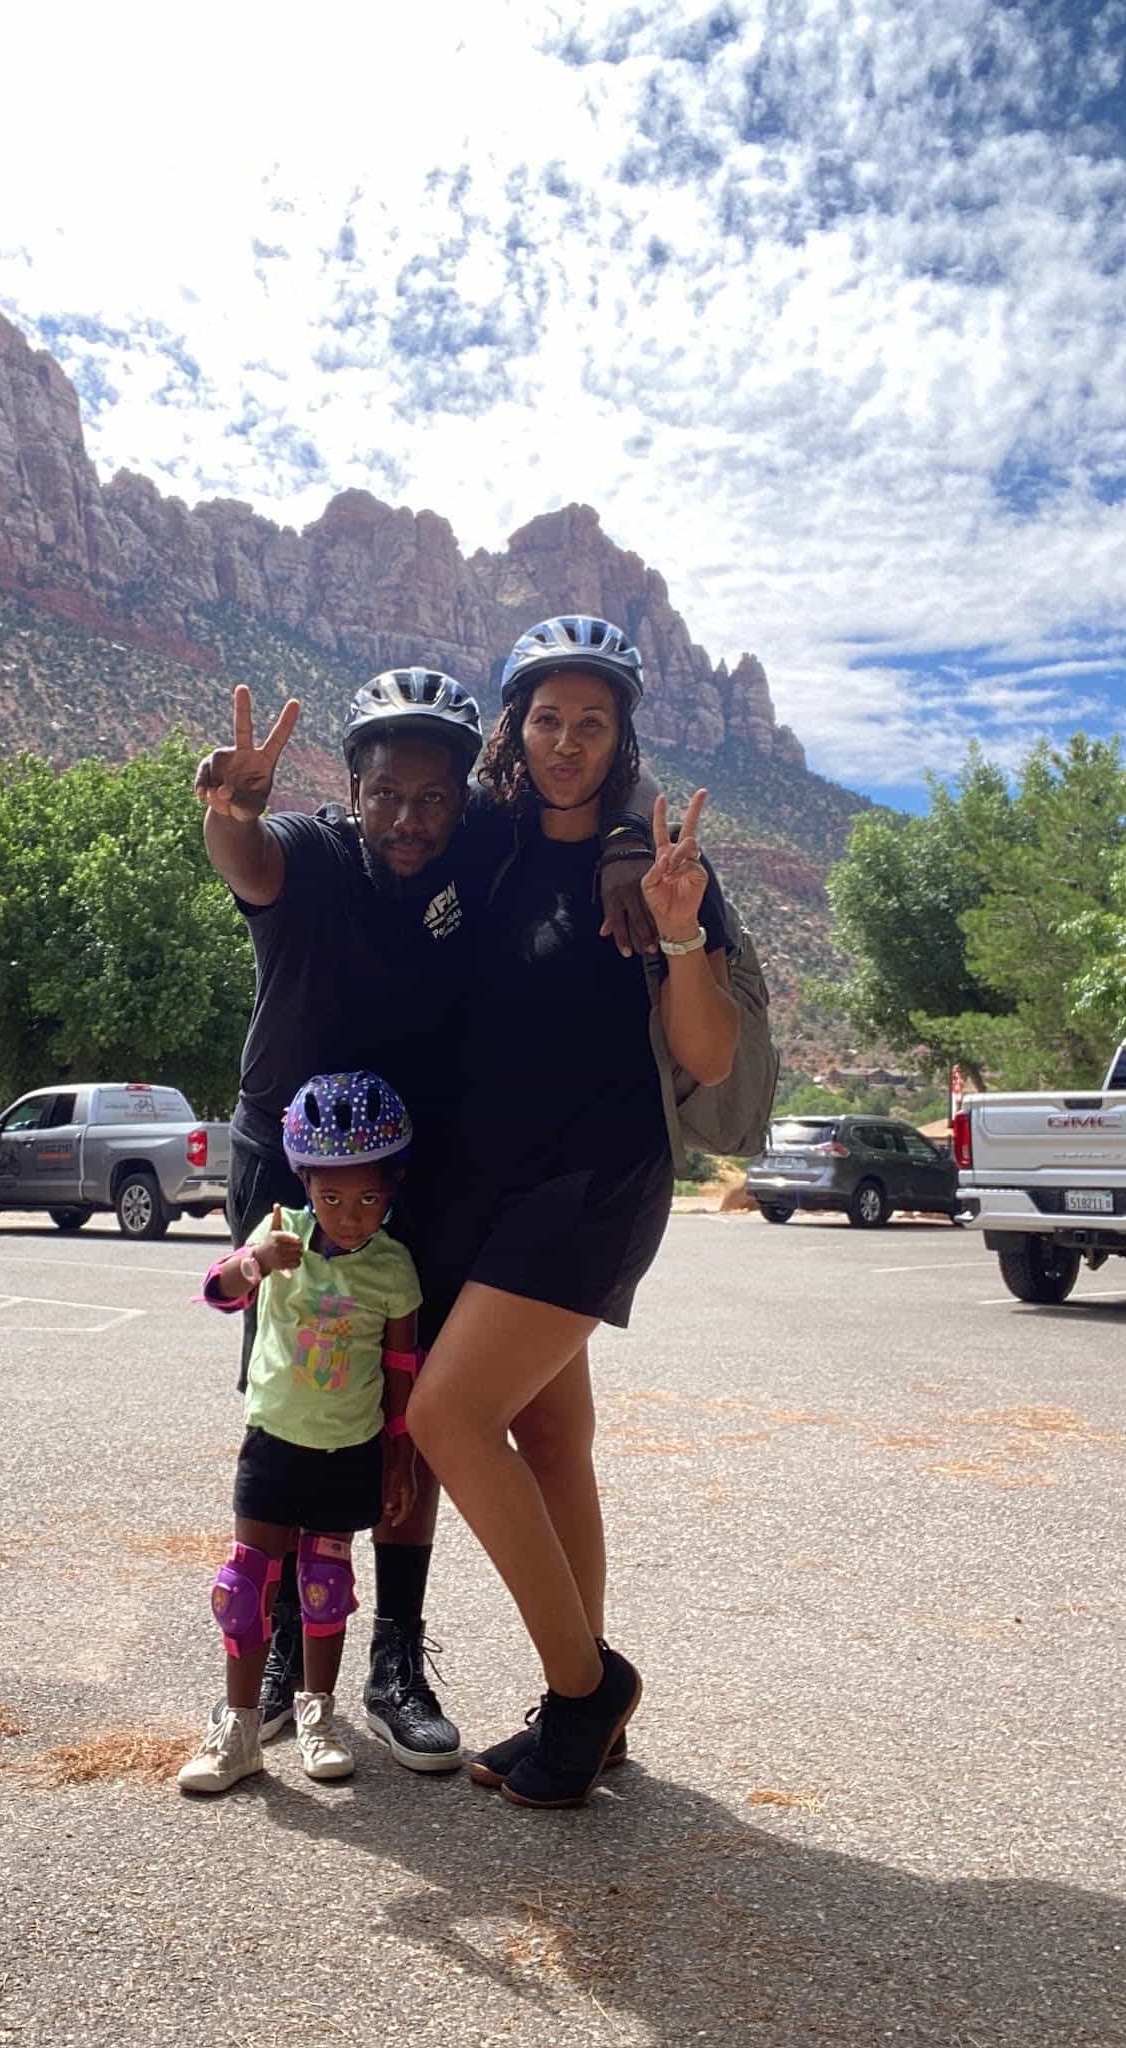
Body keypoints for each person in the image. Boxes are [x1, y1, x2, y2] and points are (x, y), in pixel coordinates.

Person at [194, 668, 662, 1769]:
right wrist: (230, 814)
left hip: (419, 1179)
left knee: (411, 1407)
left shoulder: (481, 848)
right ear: (350, 788)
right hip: (291, 1168)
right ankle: (281, 1650)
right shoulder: (311, 850)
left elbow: (595, 782)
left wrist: (628, 843)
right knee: (294, 1402)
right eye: (386, 795)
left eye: (433, 797)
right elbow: (248, 861)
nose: (409, 818)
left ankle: (395, 1657)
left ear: (465, 797)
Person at [406, 613, 741, 1811]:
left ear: (620, 735)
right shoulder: (490, 842)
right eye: (547, 717)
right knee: (551, 1440)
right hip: (495, 1188)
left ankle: (586, 1687)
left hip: (597, 1184)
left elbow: (707, 1053)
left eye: (591, 721)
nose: (566, 740)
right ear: (516, 726)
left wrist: (682, 926)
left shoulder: (662, 865)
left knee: (448, 1414)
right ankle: (581, 1712)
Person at [177, 1072, 423, 1795]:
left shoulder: (393, 1268)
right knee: (244, 1584)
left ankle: (318, 1718)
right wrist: (256, 1261)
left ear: (393, 1191)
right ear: (306, 1184)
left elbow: (401, 1371)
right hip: (274, 1441)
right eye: (332, 1197)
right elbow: (218, 1292)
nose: (349, 1217)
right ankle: (239, 1731)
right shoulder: (281, 1231)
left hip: (349, 1449)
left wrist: (399, 1461)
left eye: (369, 1199)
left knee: (325, 1585)